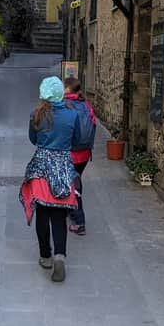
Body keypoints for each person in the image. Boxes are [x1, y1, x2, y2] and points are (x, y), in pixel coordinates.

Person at [20, 76, 81, 282]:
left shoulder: (35, 114)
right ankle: (60, 255)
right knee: (59, 215)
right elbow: (77, 140)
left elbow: (33, 139)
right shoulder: (72, 115)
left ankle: (45, 256)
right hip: (63, 167)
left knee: (43, 213)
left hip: (41, 168)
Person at [63, 77, 96, 236]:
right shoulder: (86, 105)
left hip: (70, 153)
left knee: (74, 186)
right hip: (84, 154)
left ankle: (79, 221)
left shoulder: (64, 106)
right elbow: (93, 126)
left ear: (68, 89)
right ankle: (71, 209)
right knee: (75, 180)